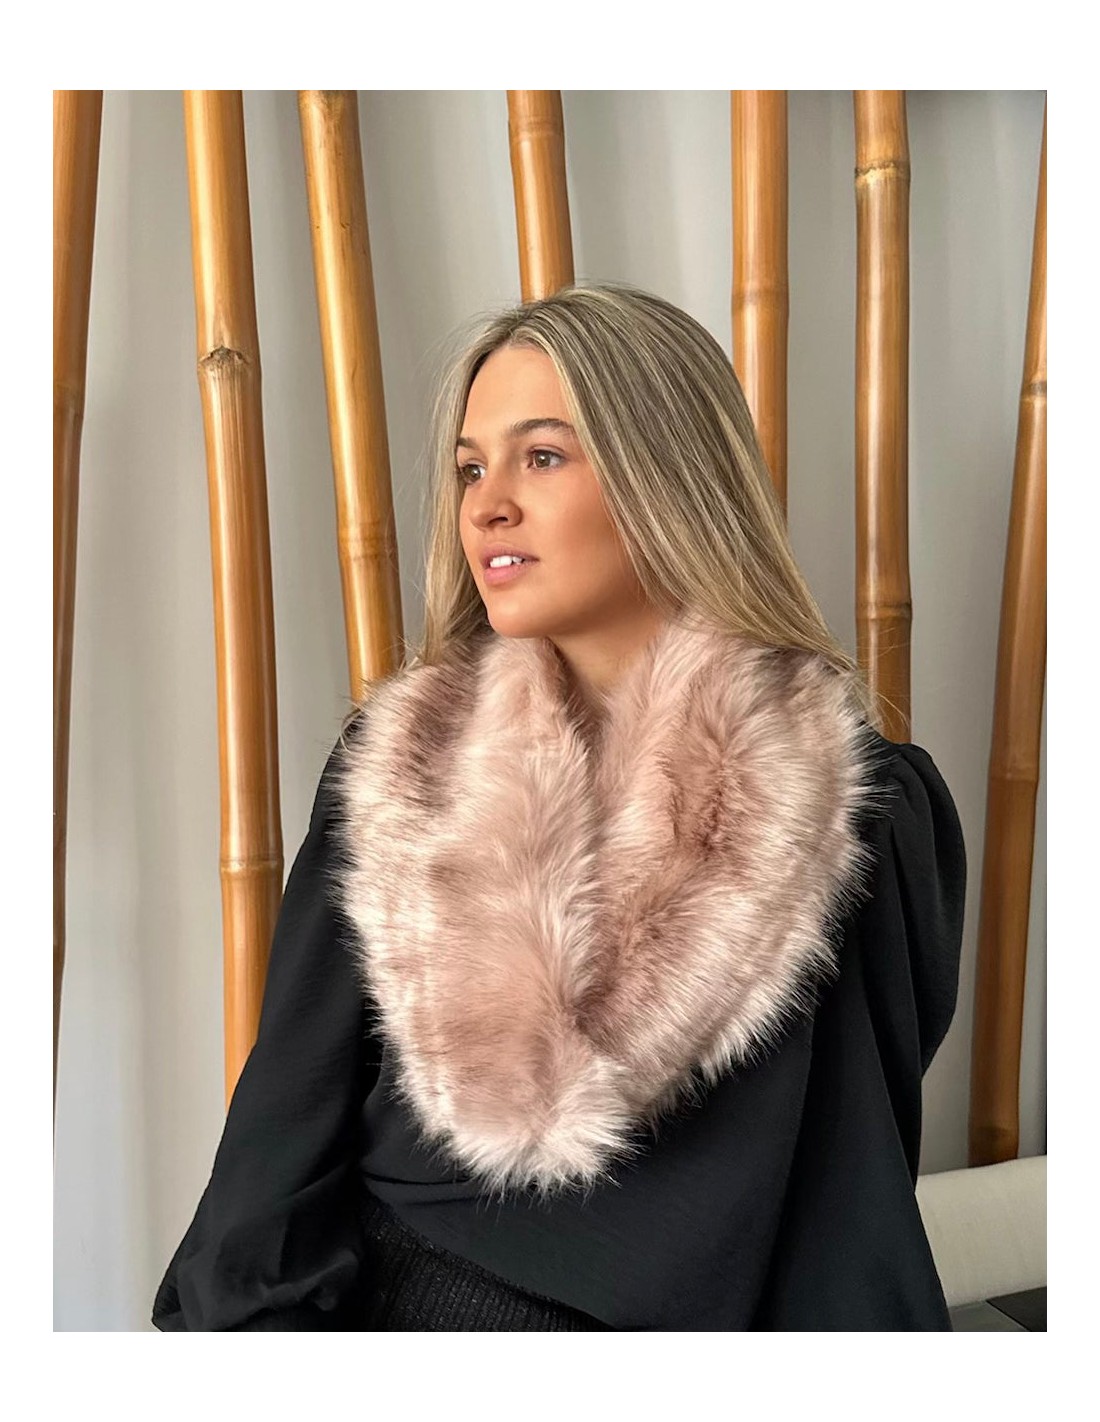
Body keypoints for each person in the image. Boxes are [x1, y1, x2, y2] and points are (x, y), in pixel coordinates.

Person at [153, 282, 966, 1331]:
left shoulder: (854, 813)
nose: (487, 504)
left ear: (666, 477)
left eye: (541, 457)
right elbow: (283, 1138)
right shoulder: (404, 768)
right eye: (469, 468)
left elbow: (845, 1209)